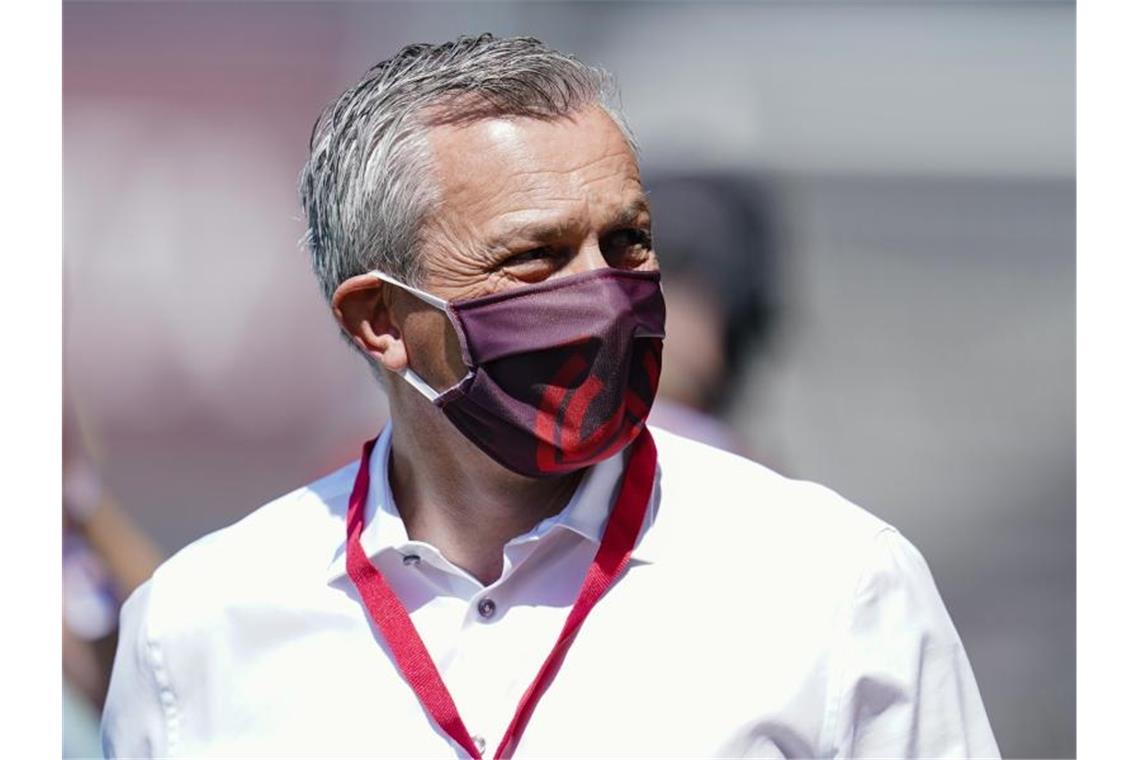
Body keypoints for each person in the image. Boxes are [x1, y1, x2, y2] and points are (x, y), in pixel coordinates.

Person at [102, 34, 999, 758]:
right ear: (381, 318)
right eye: (534, 258)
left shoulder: (835, 585)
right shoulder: (196, 627)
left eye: (629, 243)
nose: (603, 293)